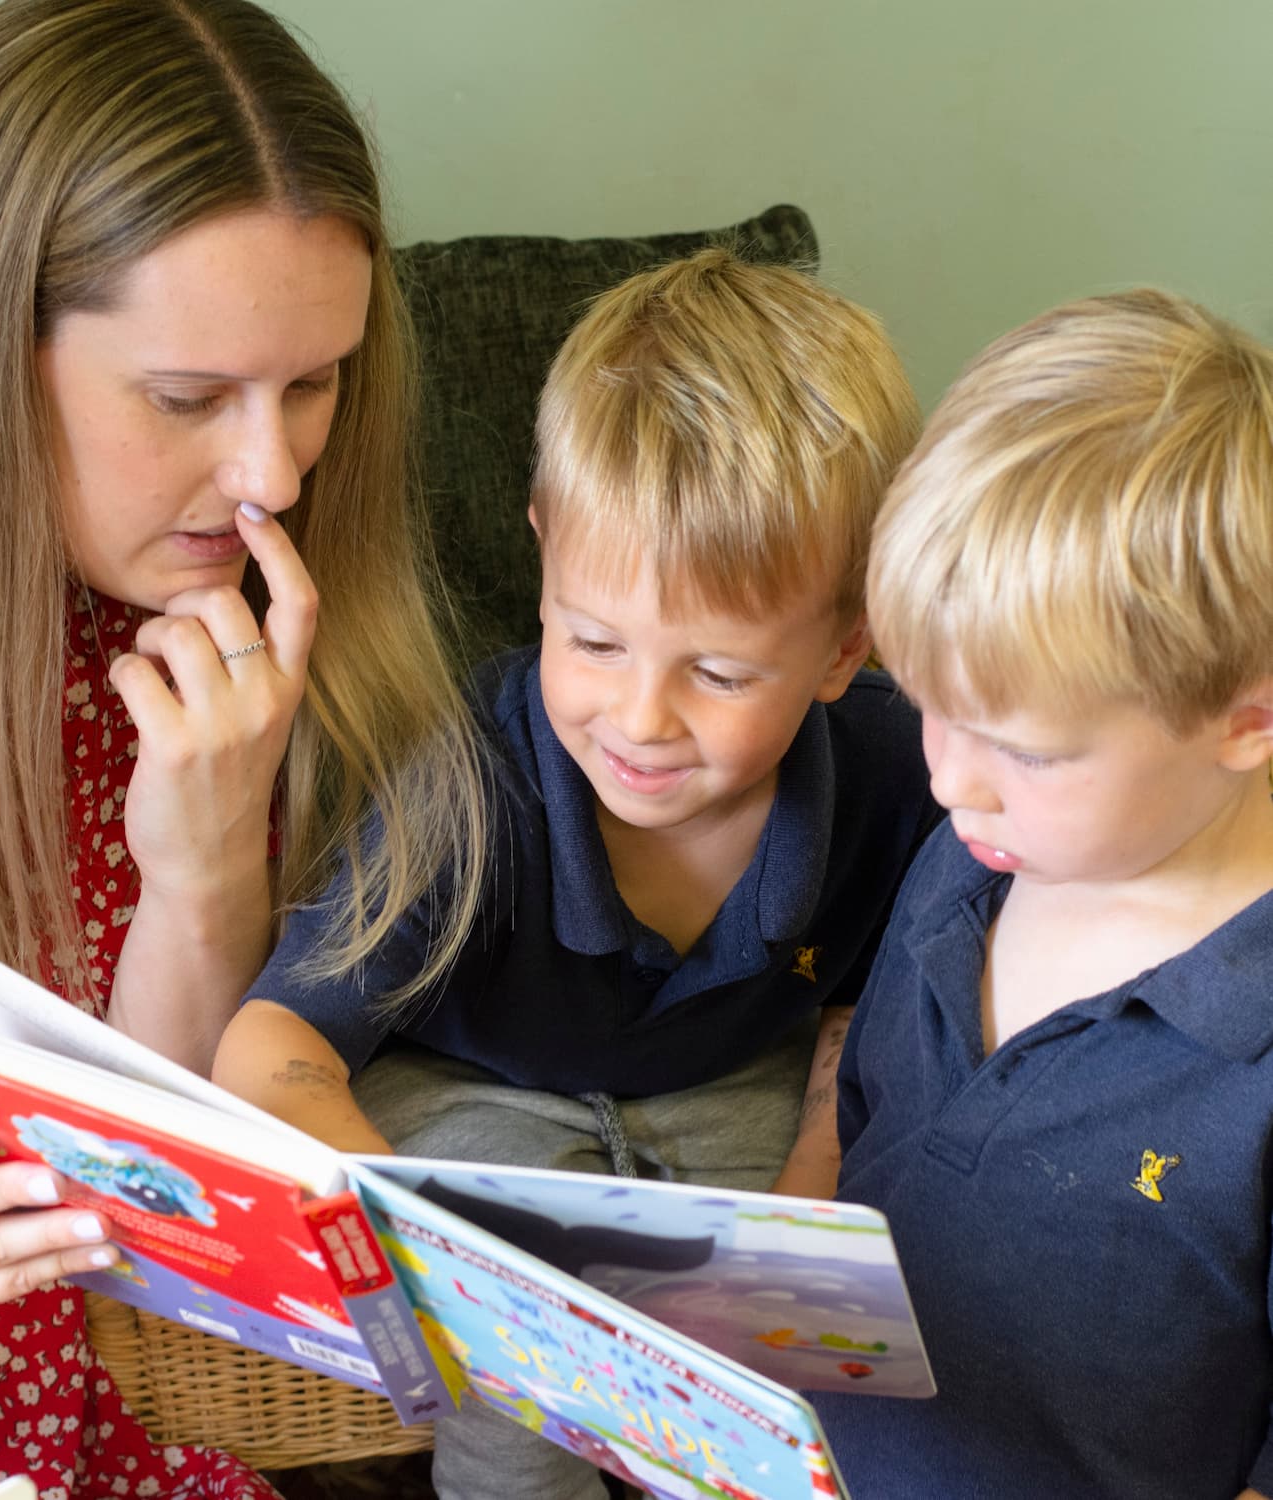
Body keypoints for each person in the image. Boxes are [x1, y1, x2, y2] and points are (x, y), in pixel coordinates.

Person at [0, 0, 491, 1493]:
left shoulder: (224, 616)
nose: (272, 473)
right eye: (186, 398)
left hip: (116, 1433)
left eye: (314, 383)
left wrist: (204, 873)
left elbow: (143, 1197)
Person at [214, 247, 937, 1500]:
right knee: (521, 1365)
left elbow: (867, 1015)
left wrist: (806, 1201)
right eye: (594, 642)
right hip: (477, 1099)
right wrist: (430, 1247)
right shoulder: (465, 784)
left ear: (844, 646)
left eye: (720, 673)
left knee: (821, 1351)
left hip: (728, 1091)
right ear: (544, 549)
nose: (641, 719)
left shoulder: (892, 768)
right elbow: (269, 1046)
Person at [811, 289, 1273, 1500]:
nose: (949, 781)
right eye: (932, 710)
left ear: (1250, 718)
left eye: (1025, 748)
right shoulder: (971, 856)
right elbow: (864, 1151)